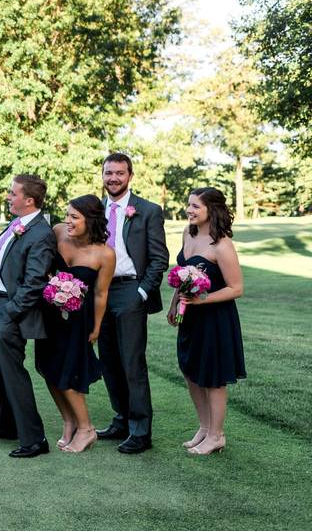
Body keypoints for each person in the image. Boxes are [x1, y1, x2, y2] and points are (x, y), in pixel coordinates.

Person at [0, 174, 56, 458]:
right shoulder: (16, 225)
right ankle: (5, 424)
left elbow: (35, 281)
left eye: (13, 193)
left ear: (29, 200)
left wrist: (11, 312)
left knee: (12, 373)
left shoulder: (40, 233)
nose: (8, 197)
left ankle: (35, 439)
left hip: (9, 310)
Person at [96, 153, 168, 454]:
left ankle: (140, 430)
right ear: (102, 175)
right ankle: (121, 419)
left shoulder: (148, 210)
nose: (113, 178)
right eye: (108, 172)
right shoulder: (94, 211)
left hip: (130, 290)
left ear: (130, 176)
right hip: (100, 292)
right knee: (108, 360)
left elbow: (159, 258)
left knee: (132, 363)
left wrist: (141, 293)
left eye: (119, 173)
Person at [168, 187, 245, 455]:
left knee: (213, 377)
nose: (188, 210)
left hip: (215, 319)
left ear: (211, 209)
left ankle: (217, 435)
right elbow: (181, 274)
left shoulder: (221, 244)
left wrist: (202, 300)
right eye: (188, 205)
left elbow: (236, 288)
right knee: (191, 372)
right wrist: (174, 303)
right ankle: (204, 428)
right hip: (190, 317)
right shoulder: (187, 234)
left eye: (195, 206)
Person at [34, 195, 114, 453]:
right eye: (67, 215)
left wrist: (97, 327)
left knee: (67, 373)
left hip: (79, 321)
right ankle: (68, 422)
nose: (67, 221)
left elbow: (101, 294)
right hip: (49, 315)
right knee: (48, 369)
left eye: (74, 217)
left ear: (90, 220)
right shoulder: (57, 232)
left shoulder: (104, 253)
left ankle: (86, 429)